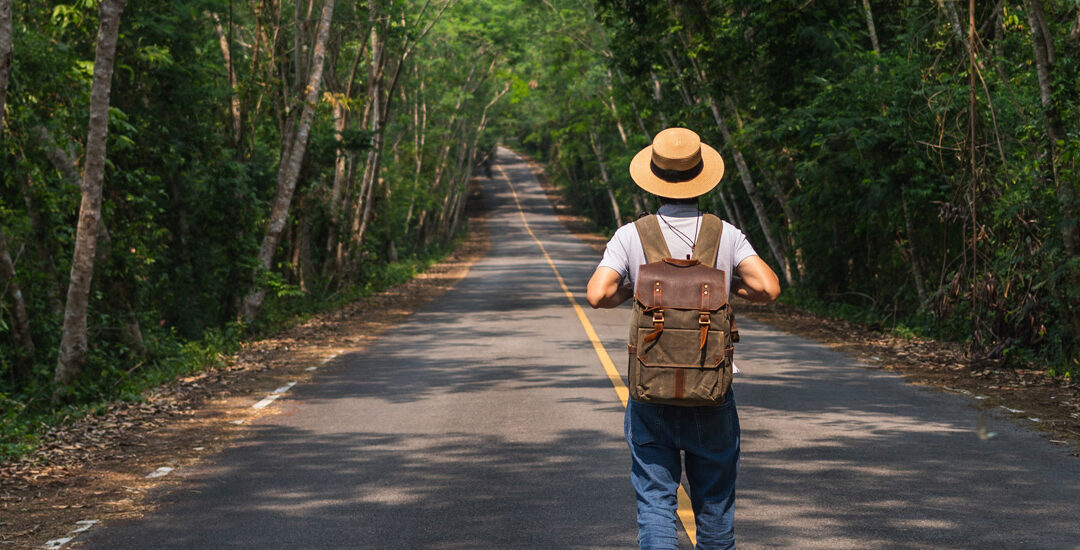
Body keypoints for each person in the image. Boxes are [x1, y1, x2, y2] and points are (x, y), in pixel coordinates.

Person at [585, 127, 780, 549]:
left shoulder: (631, 235)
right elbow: (768, 287)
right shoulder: (725, 233)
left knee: (655, 503)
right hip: (710, 392)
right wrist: (725, 286)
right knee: (714, 504)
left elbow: (597, 294)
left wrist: (634, 288)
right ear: (700, 177)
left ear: (653, 176)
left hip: (649, 391)